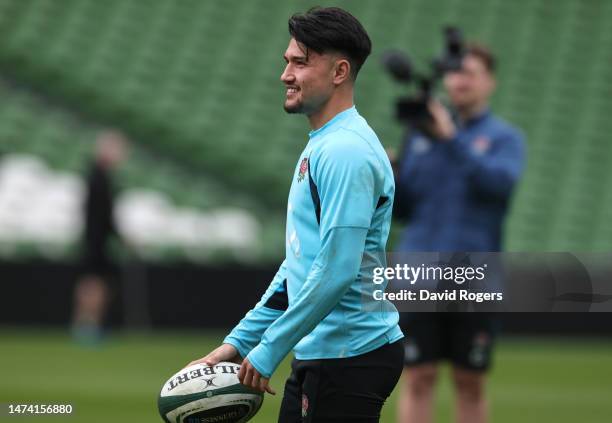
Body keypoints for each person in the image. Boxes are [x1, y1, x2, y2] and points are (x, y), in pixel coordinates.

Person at [187, 7, 404, 422]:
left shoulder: (346, 151)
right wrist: (238, 343)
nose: (286, 74)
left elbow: (338, 269)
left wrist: (269, 349)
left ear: (340, 72)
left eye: (300, 63)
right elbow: (300, 267)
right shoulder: (324, 143)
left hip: (349, 355)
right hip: (325, 351)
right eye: (287, 61)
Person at [393, 45, 525, 423]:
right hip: (417, 270)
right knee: (418, 376)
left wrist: (451, 139)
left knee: (470, 380)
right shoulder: (418, 137)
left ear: (490, 82)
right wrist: (390, 177)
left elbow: (497, 185)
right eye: (454, 72)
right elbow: (404, 210)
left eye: (470, 72)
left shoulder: (504, 138)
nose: (460, 80)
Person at [72, 130, 128, 345]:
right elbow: (104, 215)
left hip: (96, 240)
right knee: (94, 286)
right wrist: (119, 235)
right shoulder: (98, 177)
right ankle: (87, 327)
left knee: (95, 284)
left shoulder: (99, 176)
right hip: (95, 241)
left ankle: (87, 326)